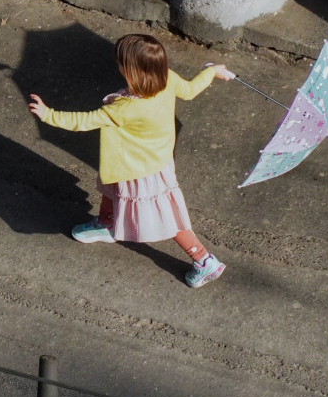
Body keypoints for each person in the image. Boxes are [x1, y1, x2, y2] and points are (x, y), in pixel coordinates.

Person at [27, 33, 233, 288]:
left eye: (121, 65)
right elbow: (190, 90)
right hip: (151, 159)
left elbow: (84, 121)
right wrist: (212, 72)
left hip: (140, 170)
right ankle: (106, 223)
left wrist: (49, 115)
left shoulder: (125, 107)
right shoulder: (167, 79)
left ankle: (204, 260)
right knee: (112, 188)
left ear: (131, 71)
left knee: (168, 217)